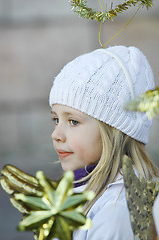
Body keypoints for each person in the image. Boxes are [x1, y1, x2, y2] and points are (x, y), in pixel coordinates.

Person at [49, 46, 159, 239]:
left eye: (73, 121)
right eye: (56, 119)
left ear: (114, 131)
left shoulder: (116, 212)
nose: (56, 134)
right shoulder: (79, 187)